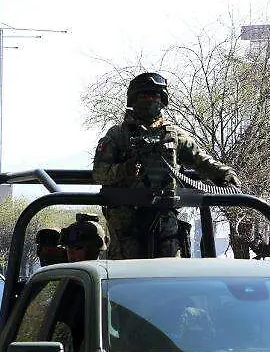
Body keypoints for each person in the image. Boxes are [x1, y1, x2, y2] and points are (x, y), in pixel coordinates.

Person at [93, 72, 240, 259]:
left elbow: (201, 160)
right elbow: (99, 173)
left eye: (154, 96)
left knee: (170, 271)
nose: (149, 100)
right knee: (127, 275)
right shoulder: (117, 135)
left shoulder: (173, 135)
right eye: (143, 96)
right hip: (127, 222)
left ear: (162, 100)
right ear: (134, 100)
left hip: (165, 218)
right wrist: (124, 170)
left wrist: (225, 174)